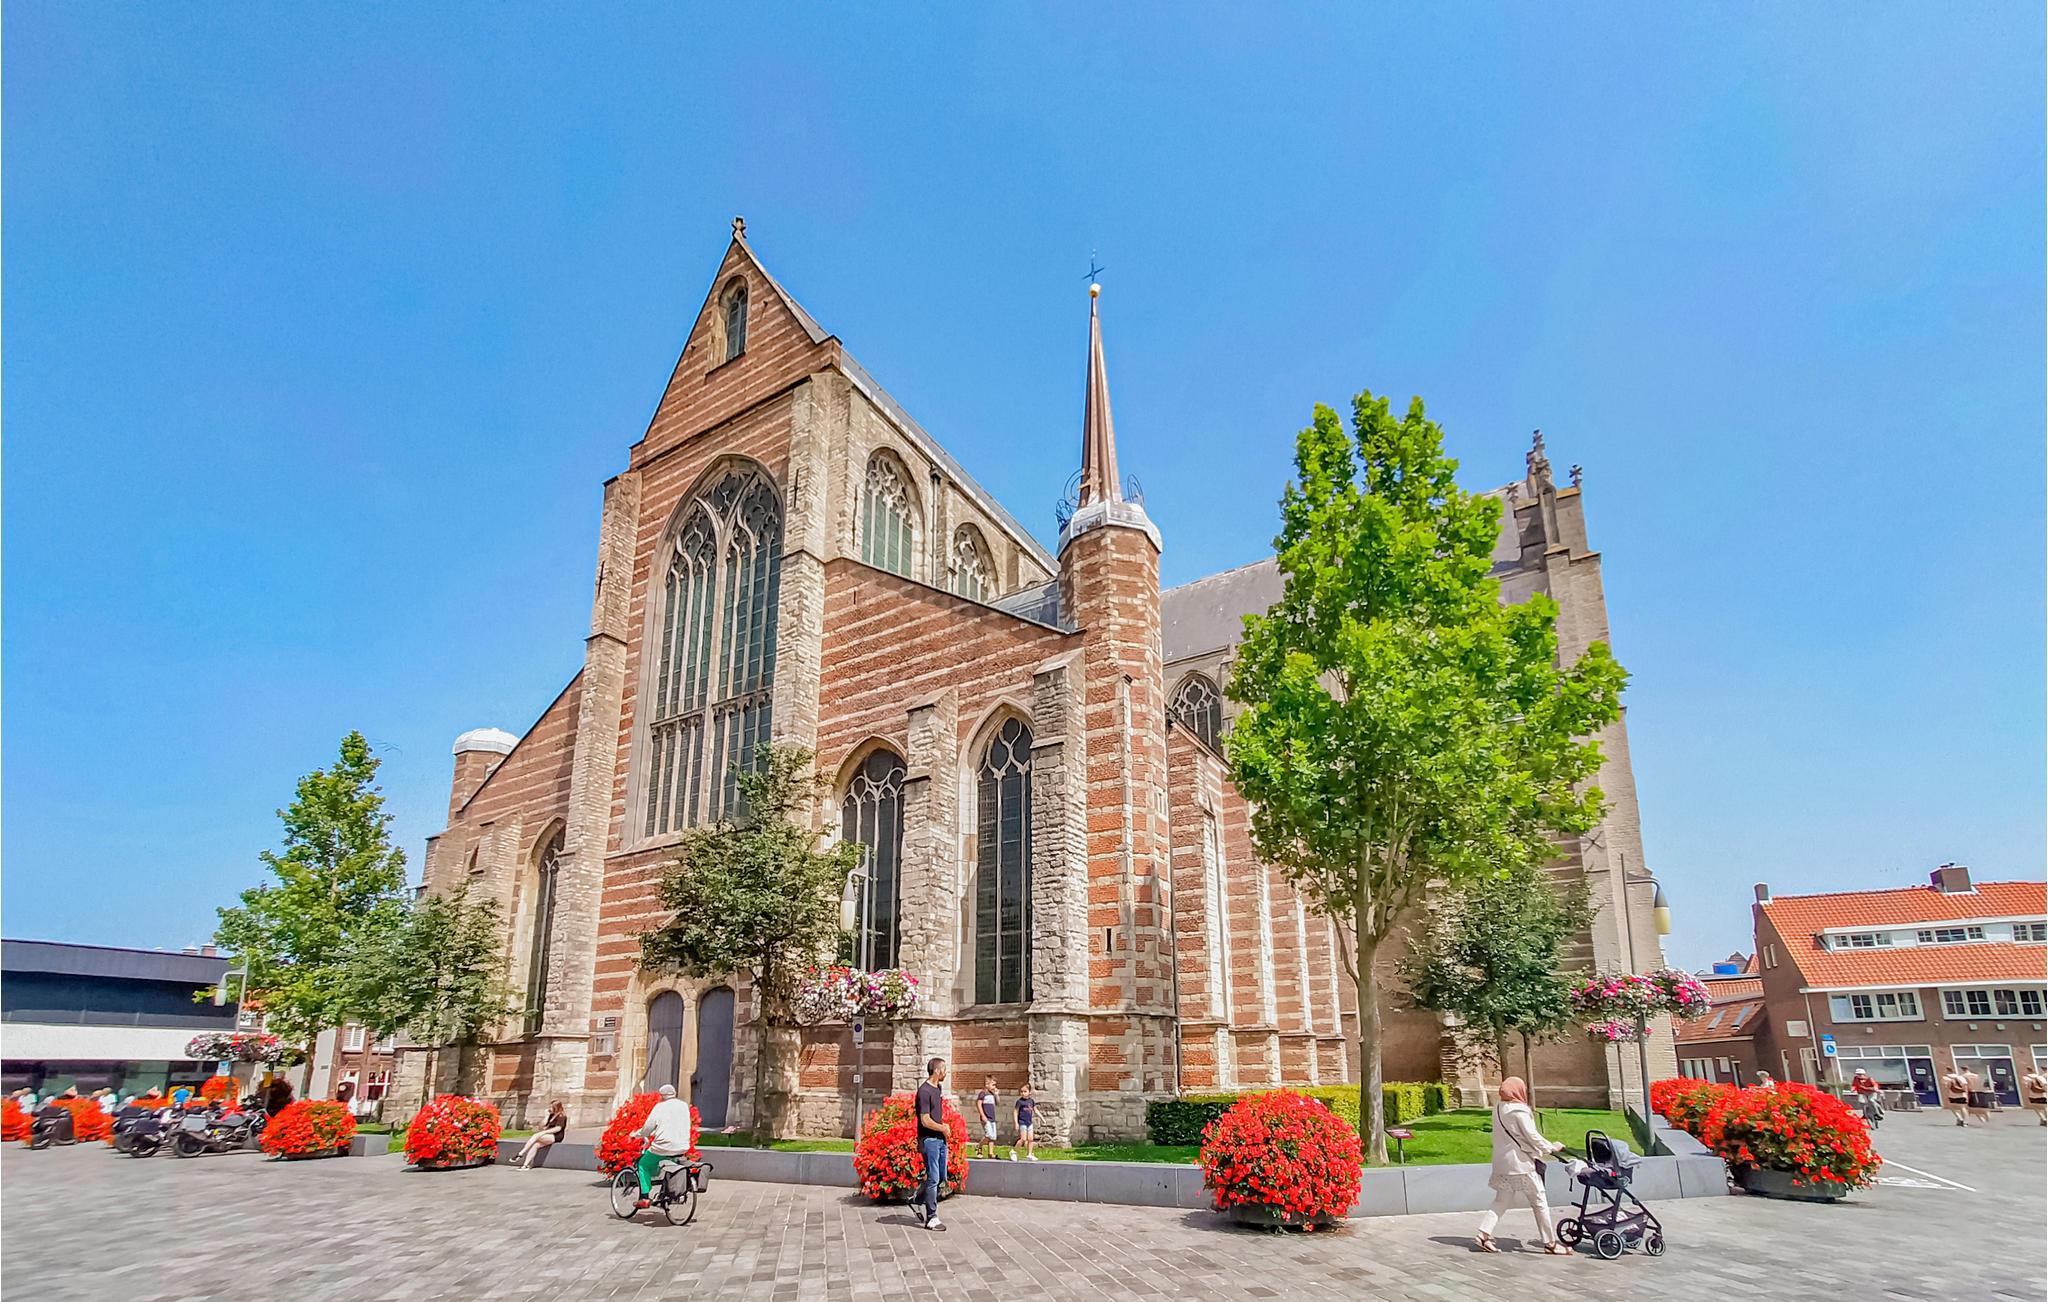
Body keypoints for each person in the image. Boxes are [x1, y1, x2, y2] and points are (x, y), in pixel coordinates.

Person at [1474, 1077, 1568, 1255]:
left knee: (1501, 1200)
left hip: (1502, 1163)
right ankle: (1550, 1243)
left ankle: (1483, 1234)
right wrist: (1551, 1147)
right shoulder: (1519, 1111)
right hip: (1521, 1164)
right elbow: (1532, 1136)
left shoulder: (1498, 1108)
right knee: (1539, 1201)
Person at [630, 1085, 697, 1209]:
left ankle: (644, 1197)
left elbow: (648, 1128)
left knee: (643, 1164)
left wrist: (637, 1134)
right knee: (670, 1163)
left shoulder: (659, 1107)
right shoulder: (683, 1106)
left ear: (661, 1096)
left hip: (663, 1147)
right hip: (682, 1146)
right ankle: (666, 1193)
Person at [913, 1057, 950, 1232]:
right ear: (937, 1071)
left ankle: (917, 1199)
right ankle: (931, 1218)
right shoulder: (924, 1091)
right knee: (934, 1178)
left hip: (940, 1140)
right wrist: (943, 1128)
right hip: (929, 1140)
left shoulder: (937, 1089)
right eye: (944, 1069)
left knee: (941, 1177)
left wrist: (943, 1130)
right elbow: (925, 1120)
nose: (946, 1073)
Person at [517, 1101, 570, 1169]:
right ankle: (525, 1165)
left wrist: (544, 1132)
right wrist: (546, 1116)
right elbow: (541, 1126)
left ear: (556, 1107)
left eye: (552, 1107)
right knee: (536, 1145)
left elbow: (558, 1128)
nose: (549, 1109)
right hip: (548, 1135)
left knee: (536, 1136)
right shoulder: (551, 1115)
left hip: (556, 1136)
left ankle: (521, 1153)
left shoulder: (561, 1116)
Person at [975, 1077, 1000, 1159]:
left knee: (993, 1137)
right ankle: (979, 1146)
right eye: (993, 1085)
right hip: (986, 1117)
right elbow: (978, 1104)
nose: (994, 1087)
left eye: (995, 1085)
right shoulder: (983, 1093)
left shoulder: (992, 1094)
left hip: (992, 1118)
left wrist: (996, 1094)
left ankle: (990, 1153)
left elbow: (998, 1103)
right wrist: (982, 1115)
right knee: (989, 1135)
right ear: (987, 1085)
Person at [1012, 1083, 1037, 1162]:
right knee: (1023, 1139)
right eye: (1021, 1091)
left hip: (1029, 1122)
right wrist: (1016, 1123)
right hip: (1022, 1122)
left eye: (1025, 1091)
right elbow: (1015, 1112)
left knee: (1031, 1139)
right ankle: (1014, 1151)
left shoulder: (1031, 1101)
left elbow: (1035, 1110)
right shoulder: (1020, 1102)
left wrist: (1042, 1118)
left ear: (1029, 1092)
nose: (1023, 1093)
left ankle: (1029, 1154)